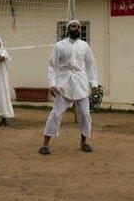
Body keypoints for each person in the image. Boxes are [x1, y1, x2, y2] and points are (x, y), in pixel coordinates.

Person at [39, 20, 100, 155]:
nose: (77, 29)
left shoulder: (84, 46)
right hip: (63, 83)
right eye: (74, 26)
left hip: (81, 83)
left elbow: (91, 65)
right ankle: (45, 144)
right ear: (68, 29)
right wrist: (52, 84)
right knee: (56, 114)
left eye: (79, 27)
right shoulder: (59, 45)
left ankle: (84, 142)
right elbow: (52, 66)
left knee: (85, 114)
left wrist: (94, 84)